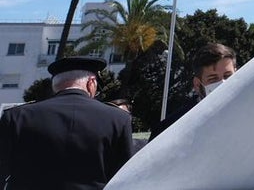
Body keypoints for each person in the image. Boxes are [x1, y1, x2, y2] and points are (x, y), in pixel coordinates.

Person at [0, 55, 134, 189]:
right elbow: (125, 177)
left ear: (55, 85)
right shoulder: (118, 119)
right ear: (91, 82)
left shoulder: (17, 116)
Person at [150, 42, 237, 140]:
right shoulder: (167, 130)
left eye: (228, 76)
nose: (223, 83)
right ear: (197, 84)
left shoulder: (251, 113)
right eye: (213, 79)